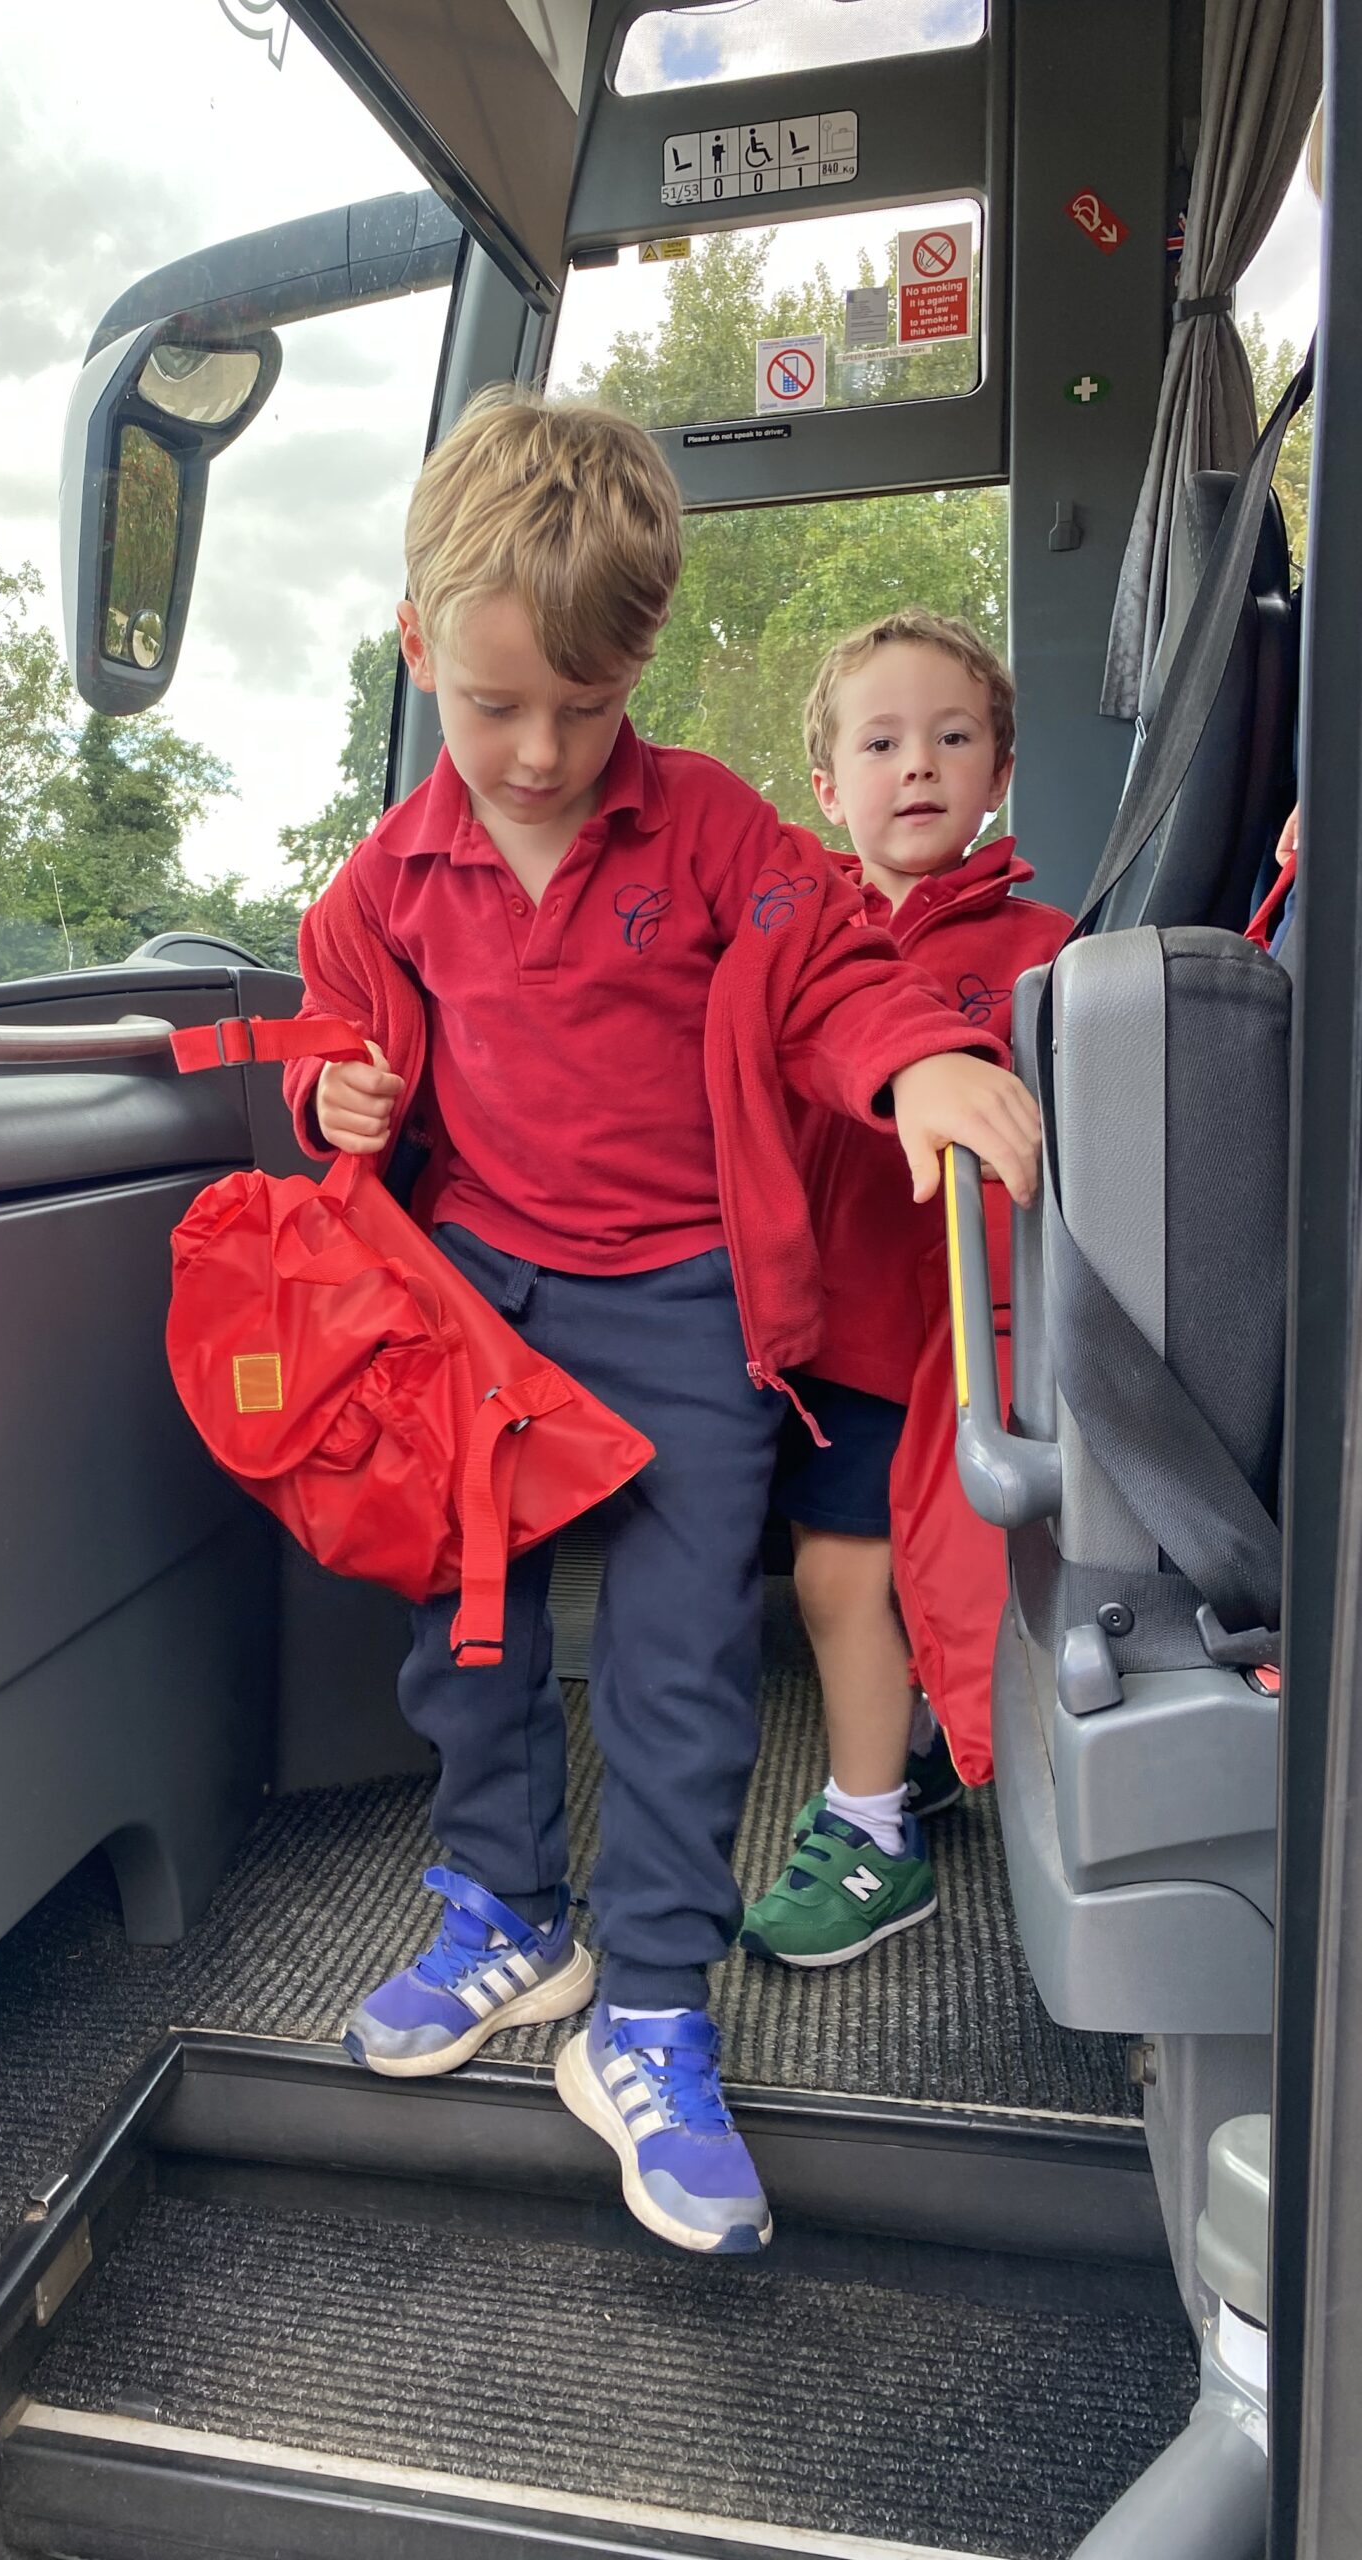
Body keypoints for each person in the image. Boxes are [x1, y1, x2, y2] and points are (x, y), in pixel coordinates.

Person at [281, 395, 1041, 2255]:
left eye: (585, 708)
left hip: (690, 1304)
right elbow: (326, 1021)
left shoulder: (709, 830)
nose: (539, 753)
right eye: (493, 707)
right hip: (481, 1302)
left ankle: (646, 2009)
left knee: (683, 1659)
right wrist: (331, 1101)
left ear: (645, 675)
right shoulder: (389, 874)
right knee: (470, 1630)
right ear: (419, 652)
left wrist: (925, 1061)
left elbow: (837, 974)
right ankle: (504, 1915)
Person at [740, 609, 1070, 1968]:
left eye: (953, 739)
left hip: (967, 1346)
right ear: (826, 786)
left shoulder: (1043, 946)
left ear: (999, 773)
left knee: (867, 1574)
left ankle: (871, 1820)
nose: (918, 766)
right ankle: (902, 1771)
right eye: (880, 743)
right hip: (826, 1332)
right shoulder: (786, 940)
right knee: (848, 1575)